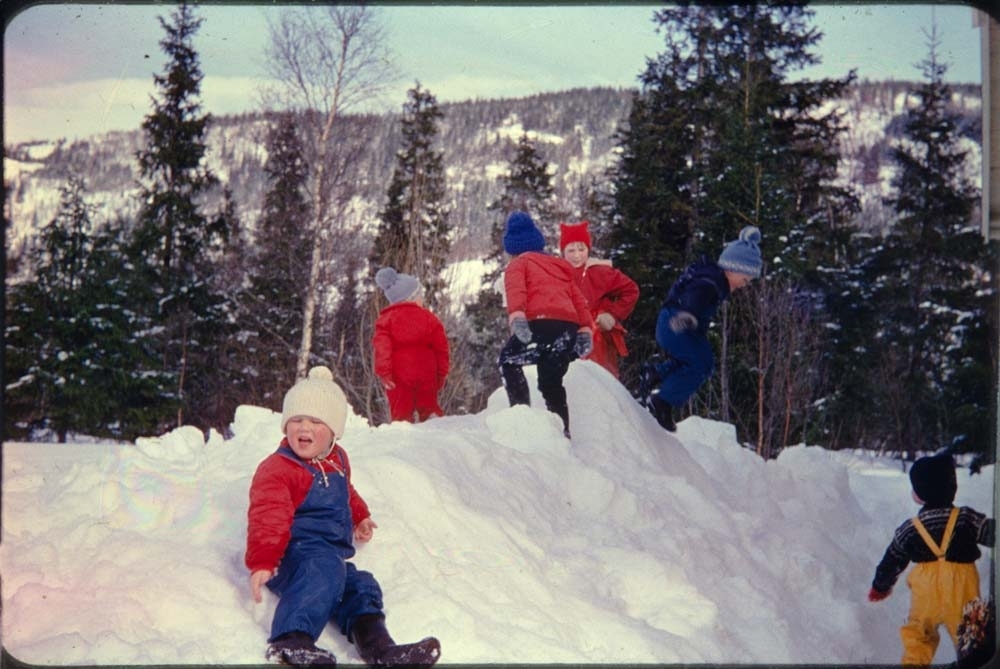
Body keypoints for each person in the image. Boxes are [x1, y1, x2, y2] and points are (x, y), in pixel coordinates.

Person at [246, 366, 441, 666]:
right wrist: (263, 560)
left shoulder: (337, 460)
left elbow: (345, 491)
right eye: (296, 420)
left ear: (334, 431)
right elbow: (268, 517)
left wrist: (360, 515)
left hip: (329, 560)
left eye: (315, 421)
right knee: (322, 568)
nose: (303, 428)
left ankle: (380, 650)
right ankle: (290, 639)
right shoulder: (278, 469)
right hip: (290, 558)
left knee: (361, 585)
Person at [868, 451, 994, 666]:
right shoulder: (966, 518)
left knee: (918, 637)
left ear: (920, 494)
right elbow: (991, 531)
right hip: (961, 587)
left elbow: (892, 559)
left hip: (925, 592)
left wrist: (880, 586)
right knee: (974, 639)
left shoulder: (910, 528)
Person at [644, 225, 762, 432]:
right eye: (745, 279)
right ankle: (662, 402)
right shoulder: (711, 281)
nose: (745, 285)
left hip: (679, 325)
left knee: (703, 362)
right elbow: (694, 296)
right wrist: (687, 315)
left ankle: (654, 374)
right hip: (676, 323)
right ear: (734, 268)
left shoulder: (714, 280)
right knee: (699, 362)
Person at [498, 210, 593, 438]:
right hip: (567, 329)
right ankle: (563, 432)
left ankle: (522, 418)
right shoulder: (559, 266)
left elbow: (515, 289)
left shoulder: (518, 264)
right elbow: (579, 300)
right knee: (551, 382)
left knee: (508, 361)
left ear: (511, 249)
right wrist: (585, 330)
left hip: (540, 324)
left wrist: (518, 316)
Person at [559, 220, 639, 379]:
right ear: (563, 252)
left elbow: (631, 290)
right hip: (567, 333)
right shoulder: (558, 273)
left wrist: (611, 314)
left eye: (581, 250)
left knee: (599, 377)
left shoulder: (600, 271)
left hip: (597, 335)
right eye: (571, 250)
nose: (576, 255)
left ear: (588, 249)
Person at [373, 266, 450, 423]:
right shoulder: (429, 318)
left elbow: (382, 349)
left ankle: (402, 436)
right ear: (412, 298)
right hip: (427, 371)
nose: (422, 298)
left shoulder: (385, 320)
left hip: (398, 374)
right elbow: (441, 348)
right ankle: (435, 430)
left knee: (401, 413)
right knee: (429, 407)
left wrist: (385, 373)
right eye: (420, 295)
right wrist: (441, 374)